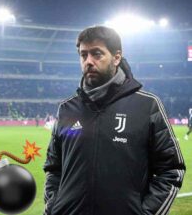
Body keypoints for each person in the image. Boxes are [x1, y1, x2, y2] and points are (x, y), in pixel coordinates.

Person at [43, 26, 185, 215]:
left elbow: (172, 169)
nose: (89, 61)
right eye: (83, 55)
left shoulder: (147, 105)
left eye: (97, 54)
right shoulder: (67, 109)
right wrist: (54, 207)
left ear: (116, 57)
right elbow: (54, 167)